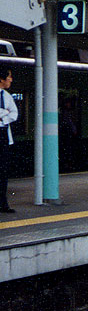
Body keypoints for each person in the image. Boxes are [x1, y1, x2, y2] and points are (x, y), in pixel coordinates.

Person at [0, 64, 19, 213]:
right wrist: (3, 112)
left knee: (3, 171)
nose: (11, 80)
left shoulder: (7, 96)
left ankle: (3, 203)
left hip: (4, 134)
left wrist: (2, 118)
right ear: (1, 79)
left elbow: (14, 114)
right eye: (9, 77)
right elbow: (7, 112)